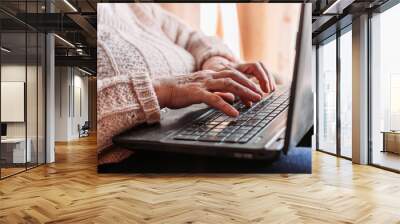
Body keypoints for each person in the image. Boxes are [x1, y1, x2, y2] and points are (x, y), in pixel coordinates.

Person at [97, 3, 276, 166]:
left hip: (200, 123)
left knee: (283, 123)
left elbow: (192, 37)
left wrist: (215, 61)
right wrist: (163, 91)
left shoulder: (133, 7)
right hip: (138, 160)